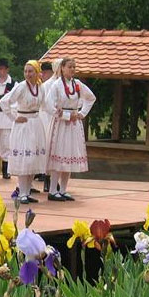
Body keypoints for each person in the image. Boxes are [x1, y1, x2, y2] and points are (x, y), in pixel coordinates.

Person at [45, 57, 96, 201]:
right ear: (62, 68)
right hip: (61, 124)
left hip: (74, 125)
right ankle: (53, 189)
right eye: (69, 67)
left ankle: (63, 189)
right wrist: (66, 115)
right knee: (59, 153)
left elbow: (91, 98)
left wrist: (81, 113)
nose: (72, 69)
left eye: (74, 67)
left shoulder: (77, 84)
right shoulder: (56, 85)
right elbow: (48, 105)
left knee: (69, 155)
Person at [0, 60, 47, 204]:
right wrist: (14, 117)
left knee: (33, 159)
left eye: (30, 71)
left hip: (35, 124)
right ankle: (22, 192)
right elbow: (4, 101)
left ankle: (27, 191)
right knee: (24, 158)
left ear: (37, 72)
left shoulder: (40, 87)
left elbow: (45, 104)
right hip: (23, 124)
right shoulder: (21, 87)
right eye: (25, 71)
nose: (27, 74)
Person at [39, 59, 62, 192]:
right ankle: (47, 179)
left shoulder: (65, 84)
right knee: (48, 149)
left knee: (57, 149)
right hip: (47, 118)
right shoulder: (48, 85)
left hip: (59, 119)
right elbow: (44, 103)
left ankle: (55, 180)